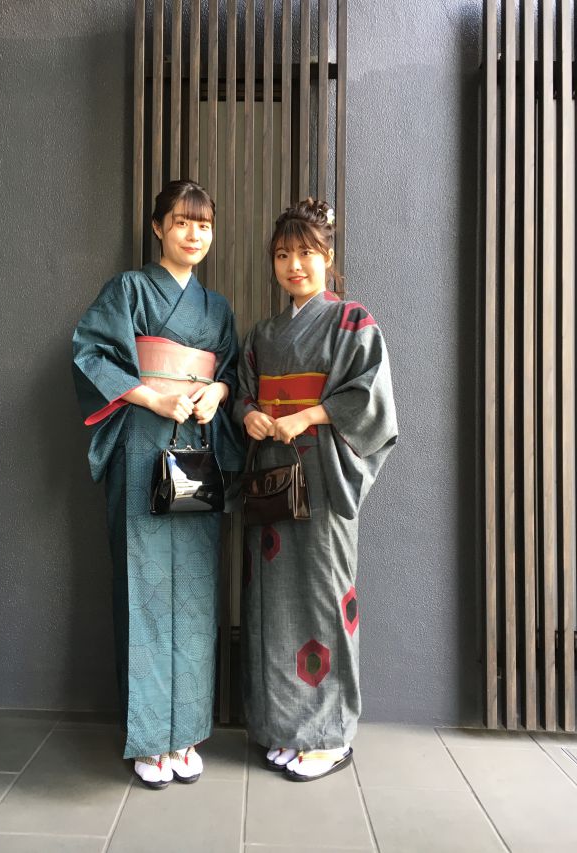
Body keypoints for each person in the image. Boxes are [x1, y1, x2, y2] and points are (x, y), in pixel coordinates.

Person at [72, 180, 243, 789]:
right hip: (144, 442)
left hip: (198, 446)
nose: (194, 234)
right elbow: (92, 355)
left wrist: (217, 391)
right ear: (157, 228)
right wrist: (153, 397)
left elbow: (232, 371)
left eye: (204, 224)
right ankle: (149, 739)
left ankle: (187, 731)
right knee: (142, 584)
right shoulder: (129, 290)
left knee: (195, 586)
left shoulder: (218, 308)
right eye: (182, 222)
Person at [235, 198, 398, 781]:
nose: (294, 265)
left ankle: (329, 736)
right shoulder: (263, 333)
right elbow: (243, 391)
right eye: (283, 255)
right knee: (271, 604)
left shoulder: (352, 321)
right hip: (272, 478)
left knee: (326, 598)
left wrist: (308, 415)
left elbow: (369, 396)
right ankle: (284, 729)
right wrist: (251, 414)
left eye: (306, 252)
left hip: (323, 476)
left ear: (328, 256)